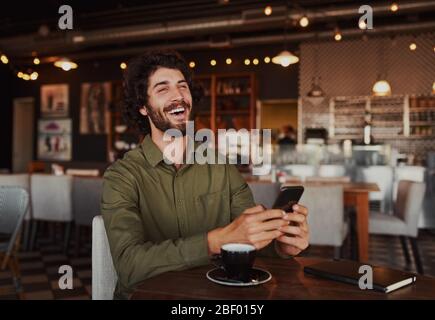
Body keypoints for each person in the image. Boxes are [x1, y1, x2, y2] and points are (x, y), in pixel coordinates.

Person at [101, 50, 309, 299]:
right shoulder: (122, 177)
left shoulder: (220, 166)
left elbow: (249, 240)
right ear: (143, 108)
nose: (178, 95)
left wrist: (282, 246)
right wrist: (214, 241)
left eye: (182, 86)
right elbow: (129, 266)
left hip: (215, 296)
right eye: (162, 89)